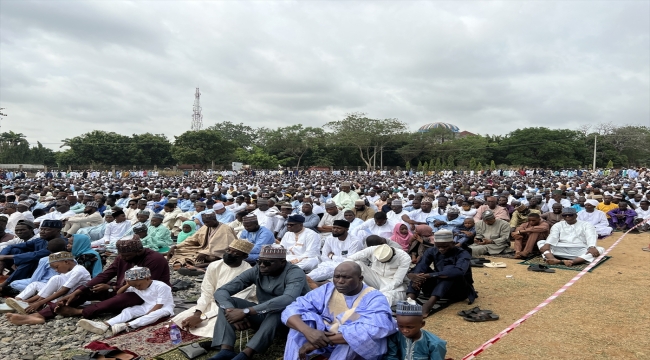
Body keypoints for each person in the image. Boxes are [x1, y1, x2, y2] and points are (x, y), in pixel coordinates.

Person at [209, 244, 310, 360]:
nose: (262, 265)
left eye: (267, 263)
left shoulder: (295, 273)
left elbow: (288, 299)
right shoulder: (257, 270)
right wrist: (230, 312)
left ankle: (247, 354)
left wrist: (246, 312)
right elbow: (222, 291)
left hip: (293, 320)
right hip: (263, 313)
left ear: (282, 262)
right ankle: (226, 349)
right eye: (259, 261)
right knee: (229, 303)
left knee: (279, 311)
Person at [282, 262, 397, 360]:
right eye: (337, 277)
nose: (340, 281)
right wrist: (308, 332)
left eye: (346, 277)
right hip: (325, 338)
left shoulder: (374, 297)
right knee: (303, 320)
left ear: (360, 278)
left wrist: (321, 341)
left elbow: (373, 330)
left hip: (356, 348)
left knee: (352, 339)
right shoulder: (328, 289)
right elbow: (291, 309)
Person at [53, 237, 170, 320]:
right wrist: (80, 290)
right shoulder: (122, 257)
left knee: (123, 298)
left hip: (146, 294)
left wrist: (111, 288)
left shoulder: (155, 259)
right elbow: (106, 274)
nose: (123, 258)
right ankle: (52, 310)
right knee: (89, 287)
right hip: (122, 287)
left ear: (139, 251)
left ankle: (79, 312)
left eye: (127, 256)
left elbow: (143, 286)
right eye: (121, 255)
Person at [172, 239, 257, 337]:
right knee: (177, 322)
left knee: (209, 330)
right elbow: (206, 292)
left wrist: (203, 317)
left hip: (232, 308)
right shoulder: (215, 265)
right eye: (229, 250)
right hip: (211, 303)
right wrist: (198, 313)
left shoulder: (249, 273)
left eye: (235, 253)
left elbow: (235, 302)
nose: (230, 254)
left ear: (244, 256)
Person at [77, 266, 174, 335]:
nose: (137, 288)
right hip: (146, 306)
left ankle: (127, 325)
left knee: (154, 315)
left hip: (165, 308)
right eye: (134, 286)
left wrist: (146, 315)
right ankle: (105, 324)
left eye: (138, 285)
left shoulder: (161, 286)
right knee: (128, 311)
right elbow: (119, 293)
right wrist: (128, 285)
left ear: (147, 278)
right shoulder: (135, 287)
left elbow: (159, 305)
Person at [5, 251, 91, 325]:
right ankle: (26, 302)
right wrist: (35, 302)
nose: (56, 270)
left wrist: (40, 302)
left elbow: (64, 290)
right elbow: (50, 289)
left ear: (66, 262)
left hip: (74, 297)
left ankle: (35, 311)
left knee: (55, 278)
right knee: (40, 283)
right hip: (64, 295)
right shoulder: (68, 272)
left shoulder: (78, 270)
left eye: (56, 267)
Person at [406, 230, 477, 317]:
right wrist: (415, 277)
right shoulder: (431, 251)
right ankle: (410, 299)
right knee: (419, 271)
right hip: (438, 285)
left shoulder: (463, 253)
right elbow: (421, 265)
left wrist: (430, 275)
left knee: (450, 271)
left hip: (459, 289)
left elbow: (459, 272)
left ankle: (429, 304)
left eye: (445, 246)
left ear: (453, 243)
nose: (441, 249)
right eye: (438, 246)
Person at [0, 219, 65, 291]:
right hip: (36, 266)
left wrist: (6, 257)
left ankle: (5, 284)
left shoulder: (60, 242)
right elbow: (11, 246)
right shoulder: (40, 240)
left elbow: (36, 255)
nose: (42, 232)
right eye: (41, 229)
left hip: (49, 270)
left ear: (58, 231)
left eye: (46, 230)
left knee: (29, 261)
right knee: (15, 250)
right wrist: (2, 260)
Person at [345, 238, 411, 306]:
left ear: (392, 256)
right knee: (356, 264)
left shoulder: (404, 257)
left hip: (392, 284)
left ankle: (371, 310)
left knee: (385, 298)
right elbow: (349, 259)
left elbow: (397, 281)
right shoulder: (374, 249)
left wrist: (378, 292)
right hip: (375, 277)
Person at [537, 208, 605, 267]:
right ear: (562, 216)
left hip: (580, 249)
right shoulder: (558, 225)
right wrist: (547, 244)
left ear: (576, 215)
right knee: (541, 242)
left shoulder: (586, 225)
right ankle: (553, 259)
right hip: (561, 247)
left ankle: (572, 262)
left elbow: (591, 235)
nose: (567, 216)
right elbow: (553, 235)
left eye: (570, 215)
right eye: (565, 215)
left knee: (600, 249)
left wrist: (592, 247)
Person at [168, 212, 238, 268]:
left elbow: (225, 247)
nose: (206, 224)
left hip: (215, 252)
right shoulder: (205, 227)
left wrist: (206, 252)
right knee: (178, 249)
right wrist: (176, 246)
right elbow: (193, 239)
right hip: (202, 248)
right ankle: (192, 262)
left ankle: (201, 264)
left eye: (207, 222)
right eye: (204, 222)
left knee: (212, 257)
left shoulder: (225, 229)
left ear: (214, 220)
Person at [306, 220, 363, 286]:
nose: (335, 230)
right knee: (321, 269)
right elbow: (324, 256)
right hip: (328, 263)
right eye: (334, 227)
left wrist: (333, 257)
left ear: (346, 229)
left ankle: (305, 279)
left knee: (330, 270)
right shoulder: (330, 238)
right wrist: (330, 262)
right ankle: (305, 278)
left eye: (338, 228)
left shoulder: (355, 241)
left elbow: (350, 261)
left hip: (347, 267)